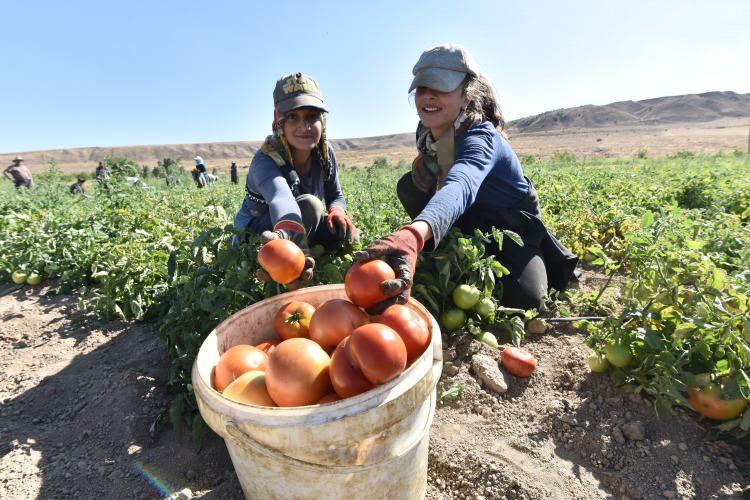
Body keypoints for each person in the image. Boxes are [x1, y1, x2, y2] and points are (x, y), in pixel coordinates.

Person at [356, 44, 578, 313]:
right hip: (470, 217)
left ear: (465, 96)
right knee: (409, 185)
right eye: (423, 88)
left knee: (526, 300)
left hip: (512, 228)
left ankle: (532, 257)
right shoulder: (426, 132)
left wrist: (413, 234)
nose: (429, 97)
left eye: (441, 88)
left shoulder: (481, 138)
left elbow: (460, 184)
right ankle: (442, 246)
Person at [234, 72, 358, 288]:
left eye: (312, 116)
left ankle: (304, 254)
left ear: (322, 121)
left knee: (346, 233)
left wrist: (338, 210)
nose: (304, 126)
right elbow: (280, 198)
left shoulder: (325, 153)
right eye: (293, 117)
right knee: (310, 204)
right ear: (278, 120)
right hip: (259, 234)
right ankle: (282, 264)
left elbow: (335, 195)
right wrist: (289, 234)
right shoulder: (266, 159)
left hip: (299, 223)